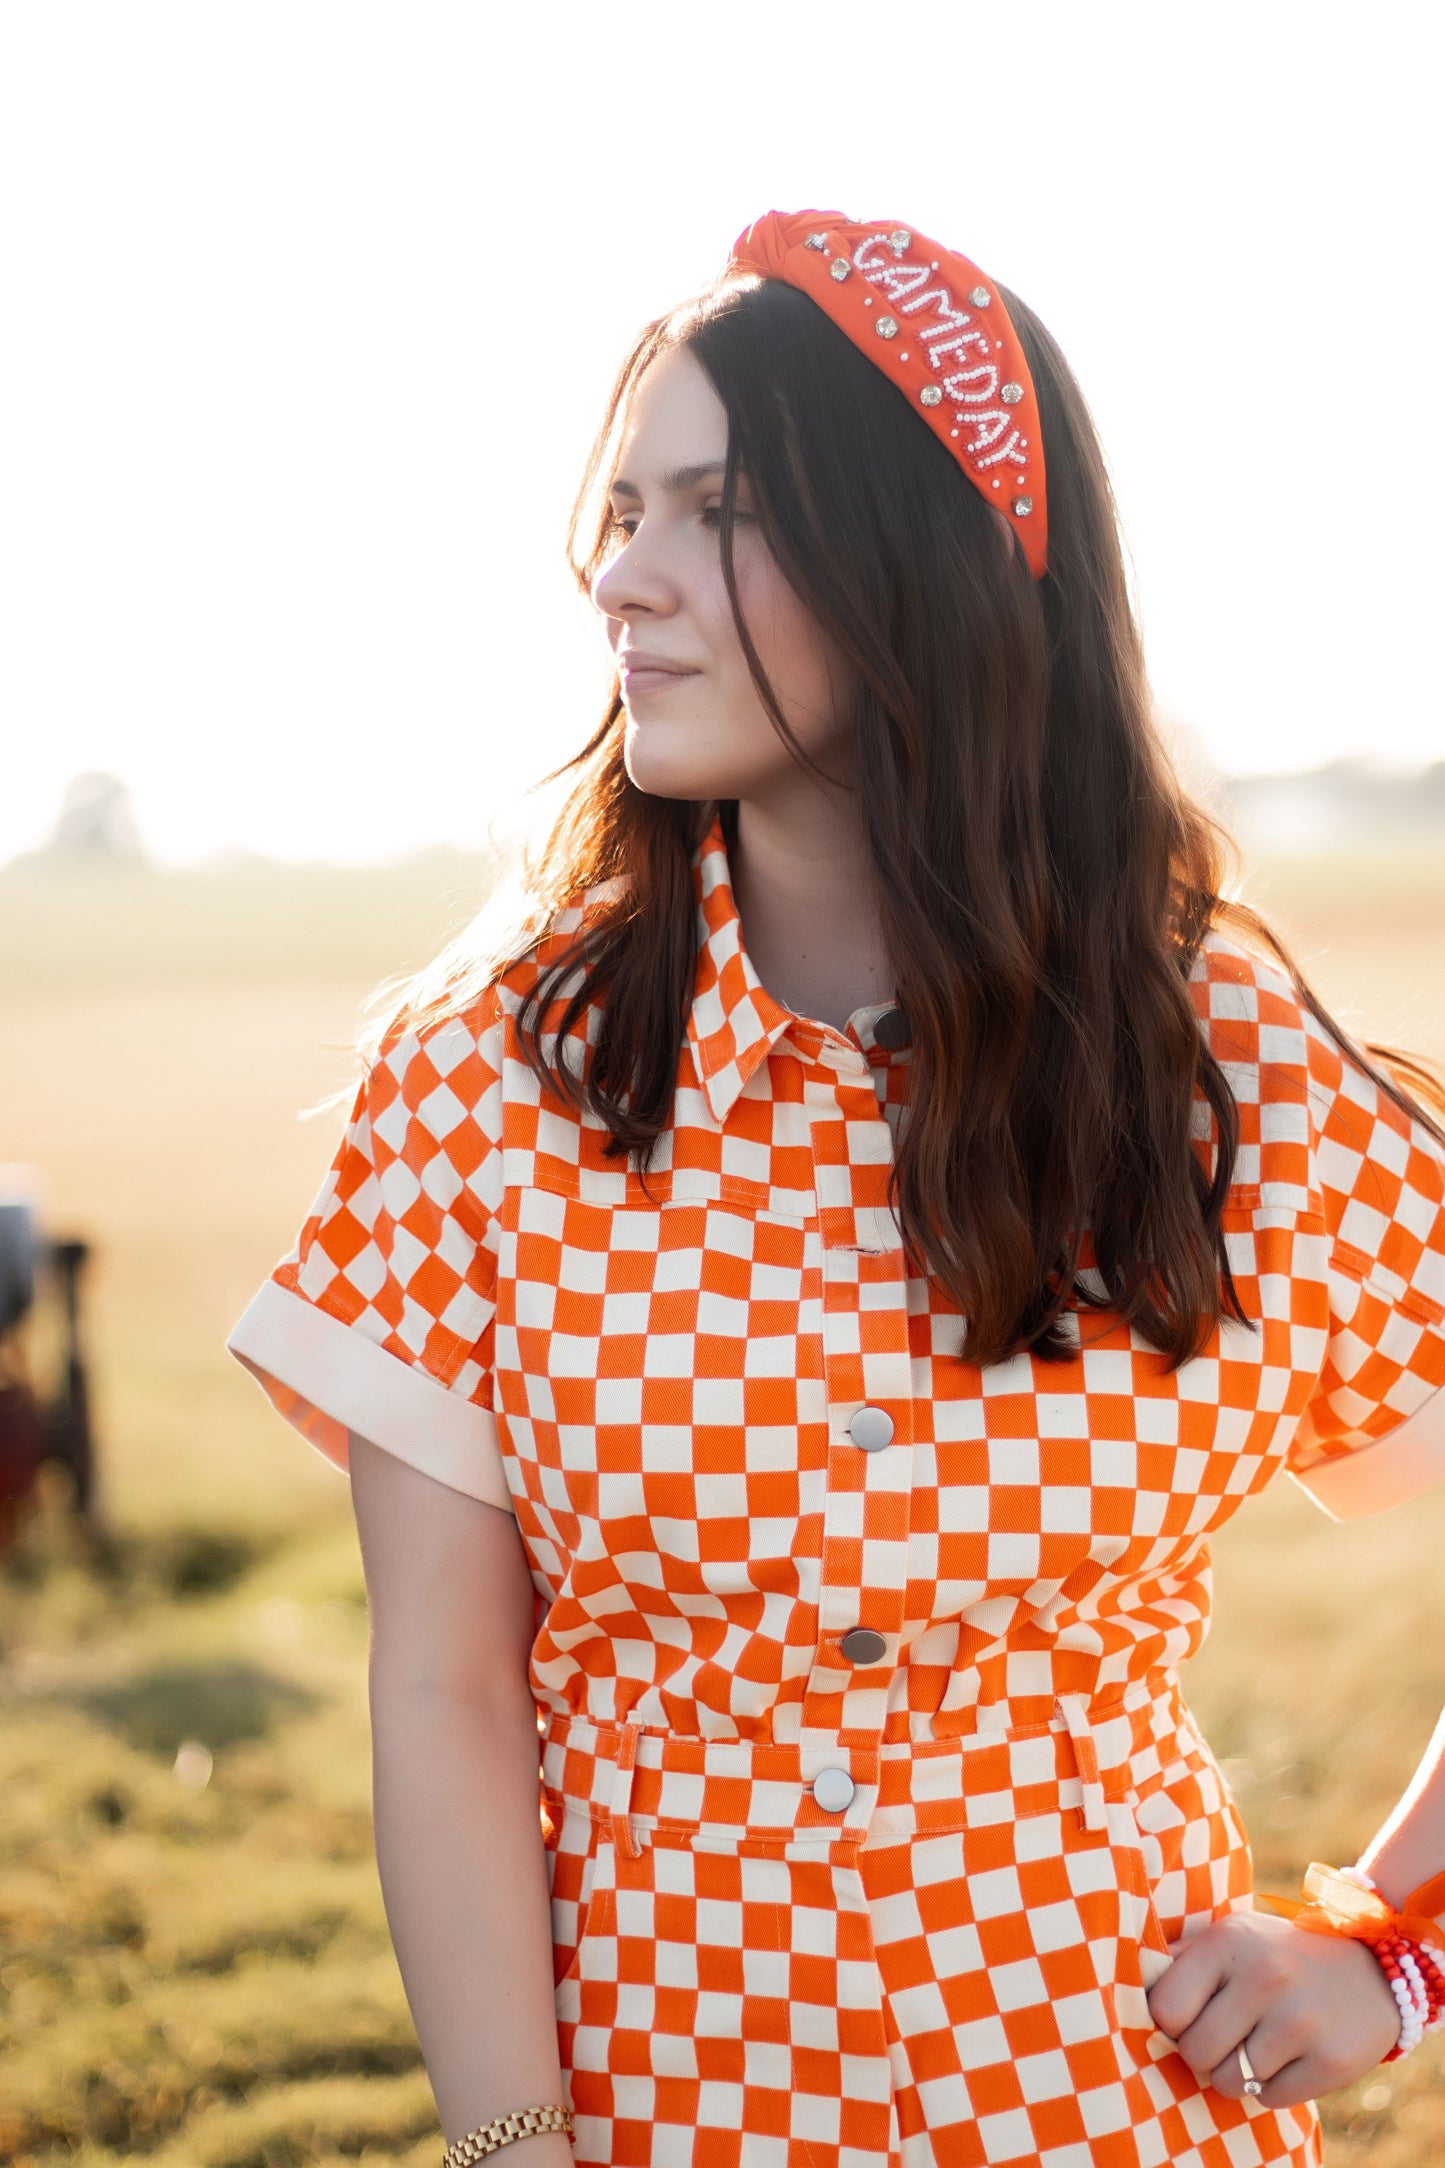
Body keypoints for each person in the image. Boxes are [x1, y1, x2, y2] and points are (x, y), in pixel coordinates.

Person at [226, 208, 1445, 2168]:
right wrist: (513, 2145)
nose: (617, 575)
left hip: (1109, 2115)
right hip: (661, 2115)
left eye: (710, 509)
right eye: (617, 508)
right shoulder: (489, 1074)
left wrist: (1393, 1951)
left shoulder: (1225, 1061)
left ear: (927, 567)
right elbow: (444, 1680)